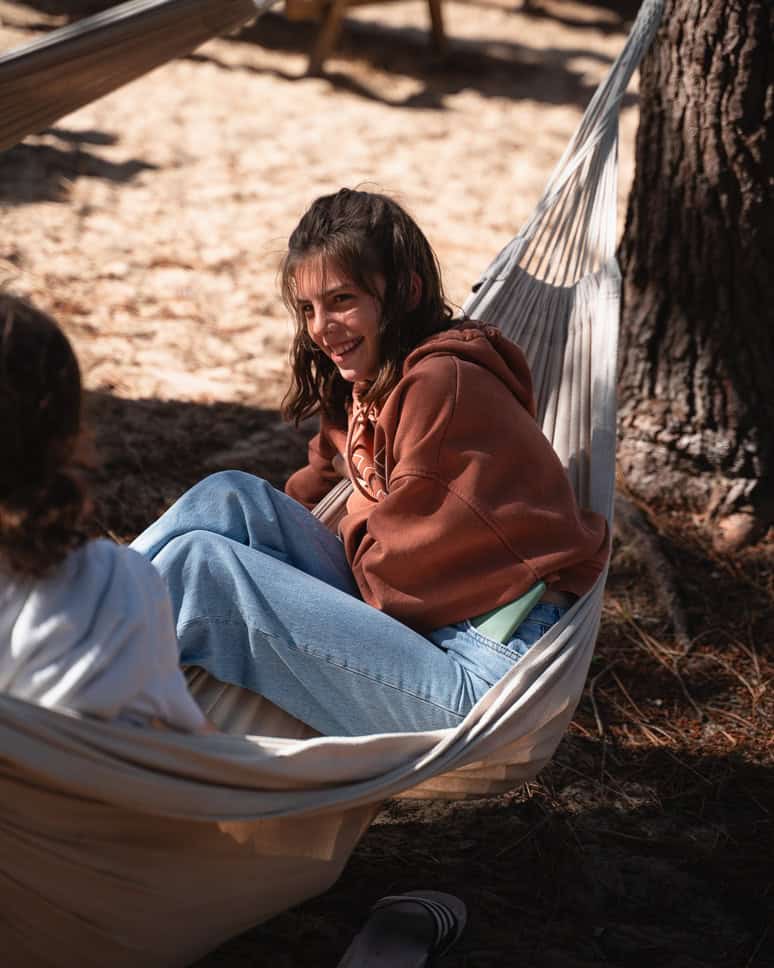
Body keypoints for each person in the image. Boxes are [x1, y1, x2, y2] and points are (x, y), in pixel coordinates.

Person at [133, 188, 609, 736]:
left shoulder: (443, 386)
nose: (321, 327)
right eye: (308, 308)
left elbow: (395, 576)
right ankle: (80, 610)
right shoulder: (374, 381)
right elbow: (315, 498)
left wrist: (341, 520)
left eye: (341, 301)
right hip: (424, 622)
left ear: (405, 291)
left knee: (203, 567)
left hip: (485, 677)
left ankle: (63, 679)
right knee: (229, 497)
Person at [0, 292, 210, 732]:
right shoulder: (121, 587)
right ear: (71, 437)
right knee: (205, 554)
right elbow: (194, 746)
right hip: (92, 793)